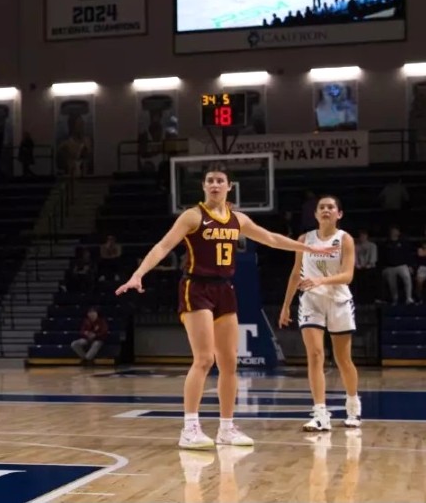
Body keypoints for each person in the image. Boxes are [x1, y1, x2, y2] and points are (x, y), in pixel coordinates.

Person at [115, 163, 335, 450]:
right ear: (204, 186)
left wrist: (310, 249)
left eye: (220, 180)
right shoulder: (193, 216)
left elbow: (271, 239)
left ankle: (227, 428)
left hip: (225, 289)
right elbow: (163, 246)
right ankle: (190, 428)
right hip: (197, 287)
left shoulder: (238, 220)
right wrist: (138, 274)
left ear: (229, 187)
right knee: (204, 359)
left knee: (230, 364)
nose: (215, 185)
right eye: (210, 181)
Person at [279, 195, 361, 431]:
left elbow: (347, 275)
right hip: (311, 301)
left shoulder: (344, 239)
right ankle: (320, 414)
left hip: (338, 300)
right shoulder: (305, 239)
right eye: (322, 207)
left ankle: (353, 407)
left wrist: (321, 280)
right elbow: (296, 273)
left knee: (343, 359)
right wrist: (286, 305)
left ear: (339, 214)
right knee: (315, 355)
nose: (326, 210)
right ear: (315, 214)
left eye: (331, 207)